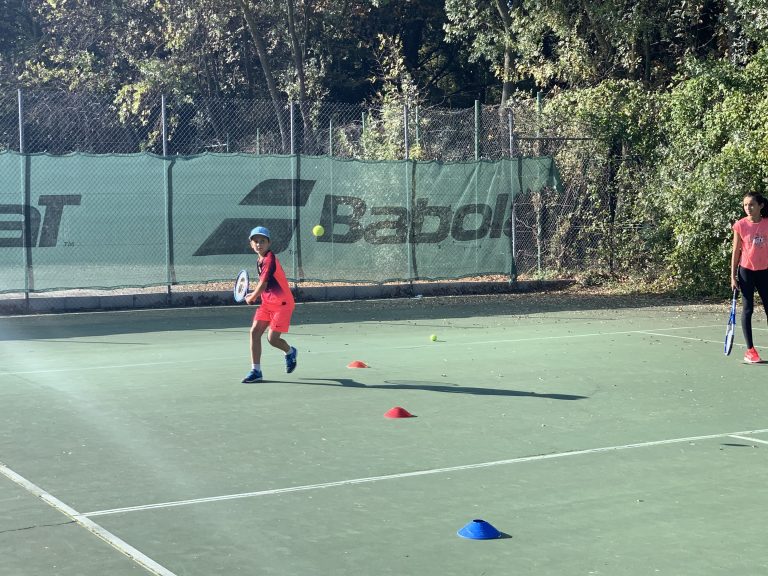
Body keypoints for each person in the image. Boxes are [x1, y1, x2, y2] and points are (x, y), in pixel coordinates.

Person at [242, 226, 298, 382]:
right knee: (254, 333)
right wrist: (254, 294)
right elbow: (265, 286)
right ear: (251, 244)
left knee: (272, 339)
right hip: (267, 304)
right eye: (256, 241)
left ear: (269, 243)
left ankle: (290, 351)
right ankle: (256, 371)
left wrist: (252, 296)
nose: (259, 244)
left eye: (262, 241)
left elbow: (264, 284)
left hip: (283, 304)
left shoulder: (269, 259)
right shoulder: (259, 259)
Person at [731, 191, 768, 363]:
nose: (748, 208)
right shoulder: (740, 225)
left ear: (761, 205)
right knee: (748, 309)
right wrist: (733, 276)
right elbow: (736, 251)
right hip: (746, 272)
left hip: (765, 272)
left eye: (751, 204)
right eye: (745, 205)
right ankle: (750, 351)